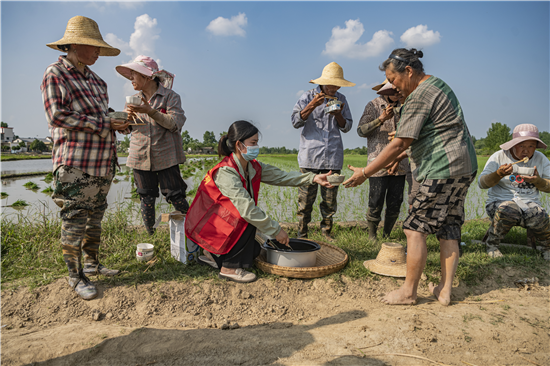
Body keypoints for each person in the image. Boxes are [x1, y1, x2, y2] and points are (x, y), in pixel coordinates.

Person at [343, 48, 478, 306]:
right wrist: (396, 160)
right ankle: (445, 290)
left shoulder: (419, 96)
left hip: (441, 168)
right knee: (449, 226)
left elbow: (400, 143)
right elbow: (430, 136)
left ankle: (408, 292)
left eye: (393, 80)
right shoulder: (439, 85)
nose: (393, 86)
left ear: (408, 71)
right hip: (464, 166)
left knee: (414, 229)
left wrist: (365, 172)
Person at [41, 16, 129, 300]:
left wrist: (120, 122)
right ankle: (75, 276)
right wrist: (104, 124)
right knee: (75, 218)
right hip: (76, 163)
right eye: (94, 48)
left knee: (95, 218)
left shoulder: (98, 82)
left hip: (103, 162)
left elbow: (100, 114)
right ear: (76, 45)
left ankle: (92, 264)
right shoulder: (56, 74)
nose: (98, 54)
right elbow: (57, 115)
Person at [185, 121, 333, 283]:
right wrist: (276, 230)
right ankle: (229, 268)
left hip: (223, 223)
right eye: (253, 143)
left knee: (254, 250)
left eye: (257, 142)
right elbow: (247, 210)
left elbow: (281, 176)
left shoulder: (251, 166)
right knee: (249, 221)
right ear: (239, 145)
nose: (256, 147)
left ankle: (214, 255)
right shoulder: (226, 171)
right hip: (211, 226)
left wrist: (313, 178)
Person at [116, 55, 189, 235]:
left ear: (147, 76)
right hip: (139, 156)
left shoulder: (170, 97)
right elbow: (126, 130)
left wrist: (150, 111)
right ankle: (151, 235)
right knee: (146, 198)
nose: (131, 79)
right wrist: (124, 122)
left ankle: (192, 233)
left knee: (176, 195)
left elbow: (174, 123)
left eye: (133, 75)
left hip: (166, 156)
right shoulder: (132, 100)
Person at [291, 62, 354, 241]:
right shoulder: (307, 97)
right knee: (305, 201)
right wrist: (312, 105)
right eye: (331, 84)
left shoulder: (341, 99)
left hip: (332, 158)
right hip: (309, 159)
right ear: (323, 82)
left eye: (337, 84)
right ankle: (302, 234)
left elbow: (347, 126)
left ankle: (326, 232)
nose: (334, 87)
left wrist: (338, 115)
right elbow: (295, 121)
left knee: (329, 201)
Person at [478, 124, 550, 259]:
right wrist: (498, 174)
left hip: (529, 203)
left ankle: (547, 248)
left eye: (531, 146)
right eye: (521, 145)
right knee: (509, 208)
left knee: (540, 214)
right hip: (500, 202)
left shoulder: (540, 159)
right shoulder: (498, 157)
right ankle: (492, 245)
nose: (526, 151)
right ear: (513, 144)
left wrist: (538, 181)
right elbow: (482, 183)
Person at [357, 81, 410, 240]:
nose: (395, 94)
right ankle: (372, 236)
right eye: (391, 91)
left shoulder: (406, 105)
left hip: (401, 162)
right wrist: (381, 119)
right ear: (384, 92)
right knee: (376, 199)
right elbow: (361, 131)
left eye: (397, 91)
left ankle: (387, 235)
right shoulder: (373, 105)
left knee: (396, 201)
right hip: (377, 160)